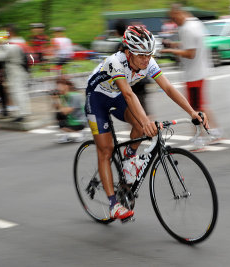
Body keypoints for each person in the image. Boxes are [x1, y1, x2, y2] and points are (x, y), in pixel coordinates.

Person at [85, 26, 208, 220]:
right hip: (97, 98)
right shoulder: (115, 62)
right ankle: (113, 205)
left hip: (117, 95)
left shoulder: (148, 62)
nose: (146, 59)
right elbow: (128, 94)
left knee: (142, 125)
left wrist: (192, 112)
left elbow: (167, 87)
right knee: (106, 150)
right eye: (141, 55)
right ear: (128, 52)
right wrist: (145, 121)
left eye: (149, 54)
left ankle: (128, 158)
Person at [161, 4, 222, 146]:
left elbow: (190, 53)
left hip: (193, 75)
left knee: (195, 109)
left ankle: (200, 139)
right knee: (201, 106)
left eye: (174, 18)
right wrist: (173, 45)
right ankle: (215, 133)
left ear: (179, 13)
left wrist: (171, 51)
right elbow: (188, 44)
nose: (174, 21)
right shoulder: (194, 23)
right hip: (199, 72)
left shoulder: (187, 28)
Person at [0, 25, 32, 122]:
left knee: (17, 92)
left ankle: (22, 113)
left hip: (15, 70)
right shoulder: (19, 43)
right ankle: (23, 112)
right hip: (19, 70)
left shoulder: (10, 46)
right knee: (20, 92)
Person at [52, 76, 86, 143]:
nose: (58, 89)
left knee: (61, 114)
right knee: (58, 115)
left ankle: (81, 133)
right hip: (71, 119)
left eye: (59, 86)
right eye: (57, 86)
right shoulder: (63, 96)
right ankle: (66, 135)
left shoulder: (75, 95)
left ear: (66, 86)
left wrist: (57, 100)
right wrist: (54, 99)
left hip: (79, 121)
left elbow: (66, 112)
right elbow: (57, 108)